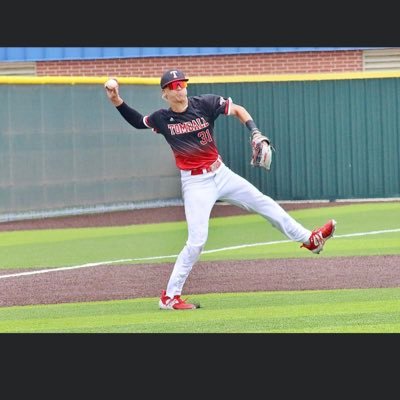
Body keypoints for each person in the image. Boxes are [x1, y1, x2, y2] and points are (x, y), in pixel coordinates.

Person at [104, 69, 336, 310]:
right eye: (173, 86)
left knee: (263, 201)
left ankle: (310, 240)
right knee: (197, 241)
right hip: (195, 183)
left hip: (220, 172)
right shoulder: (163, 118)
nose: (179, 88)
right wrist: (117, 102)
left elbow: (238, 110)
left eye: (182, 83)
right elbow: (138, 121)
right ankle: (169, 297)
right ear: (165, 93)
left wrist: (255, 132)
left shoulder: (204, 104)